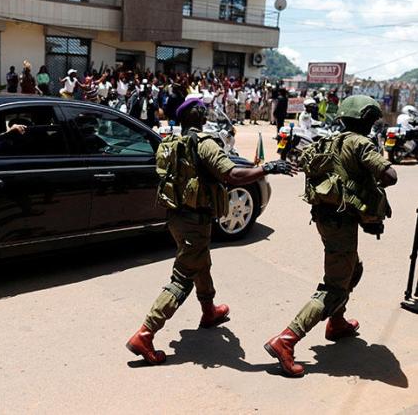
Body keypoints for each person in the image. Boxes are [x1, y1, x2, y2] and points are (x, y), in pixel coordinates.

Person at [126, 98, 297, 365]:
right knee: (183, 277)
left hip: (177, 217)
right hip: (195, 220)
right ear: (200, 116)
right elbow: (232, 175)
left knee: (200, 263)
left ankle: (209, 311)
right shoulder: (204, 144)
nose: (206, 112)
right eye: (203, 110)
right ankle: (145, 334)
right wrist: (268, 167)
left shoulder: (173, 142)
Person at [264, 96, 398, 377]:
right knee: (335, 285)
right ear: (365, 120)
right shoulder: (360, 143)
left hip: (325, 218)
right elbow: (390, 175)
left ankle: (336, 322)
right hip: (341, 221)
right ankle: (286, 340)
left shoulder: (330, 140)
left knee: (354, 269)